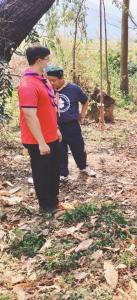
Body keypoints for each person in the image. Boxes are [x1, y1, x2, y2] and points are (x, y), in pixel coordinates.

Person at [18, 46, 61, 213]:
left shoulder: (42, 80)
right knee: (42, 172)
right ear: (38, 60)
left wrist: (56, 128)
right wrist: (41, 142)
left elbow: (49, 107)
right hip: (38, 139)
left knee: (53, 170)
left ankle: (53, 200)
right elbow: (29, 115)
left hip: (50, 135)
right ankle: (46, 206)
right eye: (47, 59)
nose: (48, 62)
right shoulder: (28, 84)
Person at [46, 66, 96, 180]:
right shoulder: (49, 89)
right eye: (49, 80)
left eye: (54, 80)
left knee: (78, 147)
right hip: (56, 127)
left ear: (61, 78)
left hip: (72, 125)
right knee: (60, 150)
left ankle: (83, 167)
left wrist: (82, 115)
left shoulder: (73, 89)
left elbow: (85, 100)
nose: (51, 83)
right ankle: (63, 173)